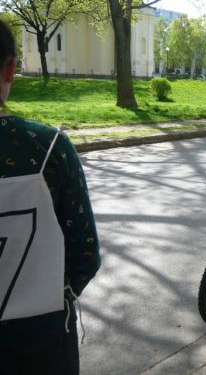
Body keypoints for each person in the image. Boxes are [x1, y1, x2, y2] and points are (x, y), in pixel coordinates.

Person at [0, 20, 100, 375]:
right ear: (11, 69)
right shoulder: (48, 148)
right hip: (42, 339)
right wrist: (57, 296)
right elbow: (86, 253)